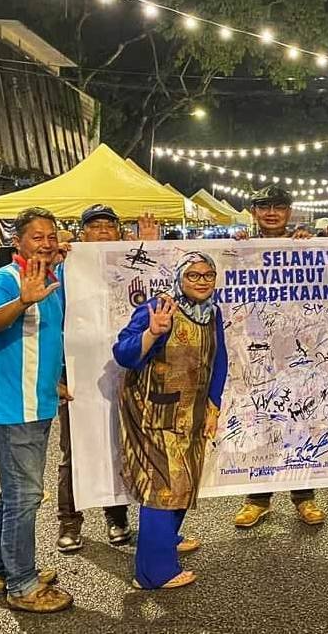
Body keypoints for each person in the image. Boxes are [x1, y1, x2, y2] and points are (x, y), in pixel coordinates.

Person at [112, 252, 228, 589]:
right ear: (180, 278)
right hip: (153, 412)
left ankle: (164, 538)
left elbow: (219, 359)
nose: (202, 281)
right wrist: (152, 332)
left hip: (190, 411)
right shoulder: (159, 307)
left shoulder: (212, 313)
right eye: (193, 275)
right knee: (163, 485)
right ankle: (153, 573)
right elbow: (123, 353)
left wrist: (213, 405)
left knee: (185, 477)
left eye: (208, 275)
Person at [0, 207, 73, 613]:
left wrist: (54, 382)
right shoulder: (6, 279)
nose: (47, 243)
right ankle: (23, 585)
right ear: (17, 241)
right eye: (37, 236)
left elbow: (42, 344)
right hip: (15, 408)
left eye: (51, 236)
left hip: (39, 400)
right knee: (25, 497)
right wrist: (21, 301)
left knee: (13, 493)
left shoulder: (52, 279)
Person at [55, 205, 159, 553]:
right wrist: (56, 374)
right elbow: (52, 322)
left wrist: (151, 249)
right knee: (75, 449)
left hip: (127, 370)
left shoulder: (131, 265)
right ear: (82, 233)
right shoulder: (66, 267)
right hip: (79, 373)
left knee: (119, 443)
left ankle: (116, 517)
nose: (101, 232)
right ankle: (69, 522)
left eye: (108, 226)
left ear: (119, 233)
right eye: (94, 227)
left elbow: (166, 283)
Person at [231, 186, 326, 528]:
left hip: (299, 352)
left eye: (279, 207)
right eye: (264, 207)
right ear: (253, 212)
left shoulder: (307, 245)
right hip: (257, 353)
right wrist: (234, 251)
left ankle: (304, 497)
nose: (271, 212)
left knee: (300, 422)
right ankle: (257, 499)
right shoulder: (239, 247)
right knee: (262, 423)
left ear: (290, 211)